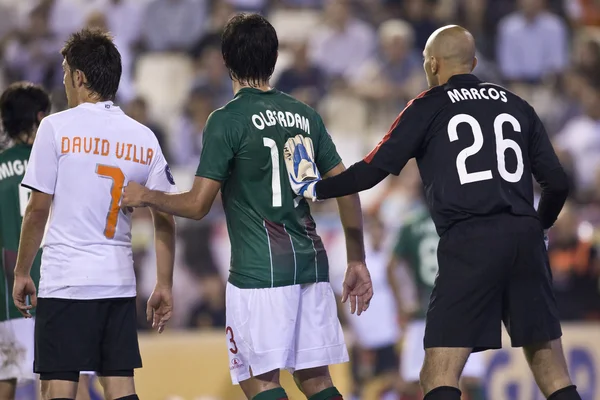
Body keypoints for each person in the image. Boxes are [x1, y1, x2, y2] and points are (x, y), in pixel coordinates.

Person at [284, 25, 578, 400]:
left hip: (470, 240)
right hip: (525, 238)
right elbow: (559, 183)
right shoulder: (517, 104)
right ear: (472, 62)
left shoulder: (429, 104)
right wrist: (538, 227)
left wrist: (315, 187)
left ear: (433, 63)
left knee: (437, 373)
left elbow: (374, 170)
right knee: (553, 374)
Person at [121, 13, 373, 400]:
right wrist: (356, 259)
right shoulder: (305, 115)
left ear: (225, 60)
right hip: (311, 263)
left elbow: (197, 204)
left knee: (260, 382)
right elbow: (347, 188)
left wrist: (146, 196)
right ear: (274, 60)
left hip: (259, 272)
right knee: (318, 380)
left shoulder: (226, 120)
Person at [12, 29, 177, 400]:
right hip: (117, 282)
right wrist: (164, 284)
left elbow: (37, 210)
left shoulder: (55, 128)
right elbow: (165, 215)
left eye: (66, 72)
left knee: (59, 388)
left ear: (80, 78)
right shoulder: (143, 136)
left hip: (66, 282)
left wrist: (23, 271)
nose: (65, 81)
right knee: (120, 387)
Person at [0, 82, 94, 400]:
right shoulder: (60, 161)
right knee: (71, 378)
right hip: (60, 286)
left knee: (6, 379)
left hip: (8, 295)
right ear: (41, 117)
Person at [388, 202, 484, 400]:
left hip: (425, 310)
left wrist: (403, 304)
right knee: (469, 379)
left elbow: (391, 266)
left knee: (416, 380)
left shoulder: (410, 223)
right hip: (461, 309)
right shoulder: (464, 218)